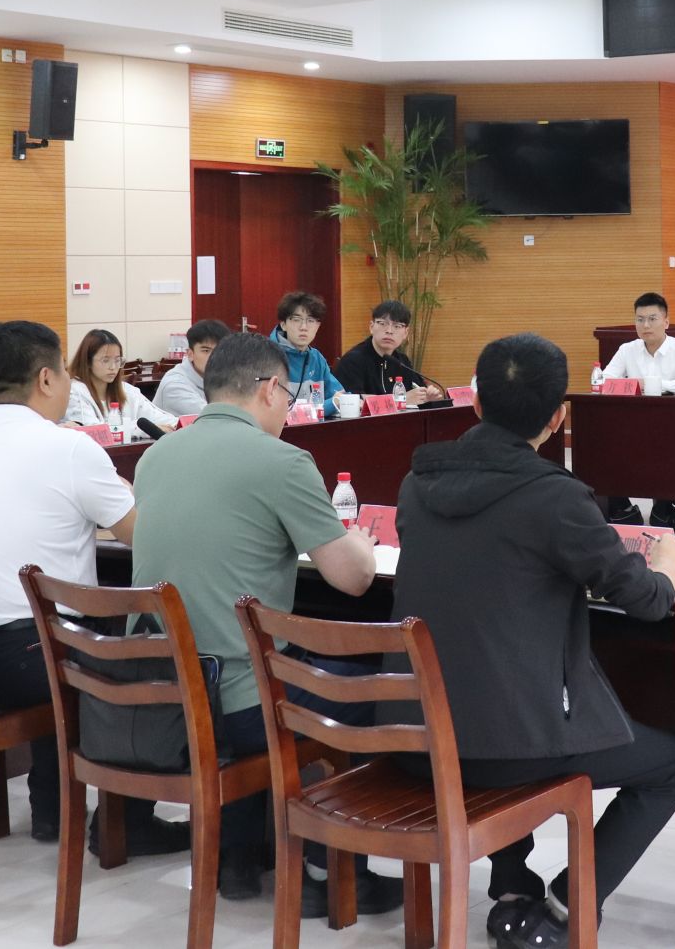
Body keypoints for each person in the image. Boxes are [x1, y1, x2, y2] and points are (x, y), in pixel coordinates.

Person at [393, 332, 675, 947]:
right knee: (669, 764)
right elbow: (645, 601)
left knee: (496, 672)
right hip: (506, 746)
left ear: (476, 403)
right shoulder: (554, 497)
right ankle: (563, 908)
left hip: (413, 733)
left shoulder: (415, 484)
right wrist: (667, 568)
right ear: (558, 419)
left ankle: (511, 885)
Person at [130, 333, 397, 913]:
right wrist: (357, 540)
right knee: (368, 692)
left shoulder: (156, 456)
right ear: (272, 389)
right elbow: (352, 579)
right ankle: (331, 872)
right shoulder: (282, 460)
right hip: (235, 703)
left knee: (261, 656)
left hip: (160, 692)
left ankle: (242, 856)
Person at [0, 321, 191, 853]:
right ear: (47, 379)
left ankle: (51, 808)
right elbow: (144, 536)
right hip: (32, 660)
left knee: (63, 624)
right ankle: (123, 823)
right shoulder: (68, 448)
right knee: (152, 654)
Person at [593, 292, 675, 530]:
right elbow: (605, 380)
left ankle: (663, 508)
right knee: (601, 442)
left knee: (671, 447)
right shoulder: (627, 350)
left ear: (666, 322)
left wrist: (650, 384)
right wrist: (636, 385)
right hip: (630, 424)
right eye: (640, 319)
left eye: (652, 319)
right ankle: (621, 507)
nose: (645, 325)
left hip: (673, 425)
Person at [331, 299, 444, 405]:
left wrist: (428, 397)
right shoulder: (353, 360)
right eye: (382, 323)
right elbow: (351, 401)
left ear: (406, 333)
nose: (389, 331)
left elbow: (417, 393)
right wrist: (400, 400)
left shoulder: (402, 361)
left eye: (397, 326)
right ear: (371, 327)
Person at [63, 328, 177, 432]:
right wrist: (146, 429)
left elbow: (157, 416)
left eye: (117, 360)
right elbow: (95, 431)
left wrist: (179, 424)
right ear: (87, 362)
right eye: (105, 360)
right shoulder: (75, 392)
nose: (113, 367)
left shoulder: (127, 390)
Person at [270, 291, 345, 419]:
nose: (304, 327)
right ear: (283, 325)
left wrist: (338, 401)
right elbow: (277, 412)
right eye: (296, 319)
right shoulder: (267, 356)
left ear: (318, 326)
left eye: (310, 320)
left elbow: (340, 396)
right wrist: (331, 404)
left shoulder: (316, 358)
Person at [153, 317, 228, 417]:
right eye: (206, 351)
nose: (213, 356)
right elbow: (215, 418)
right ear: (190, 354)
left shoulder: (223, 377)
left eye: (218, 350)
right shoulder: (174, 386)